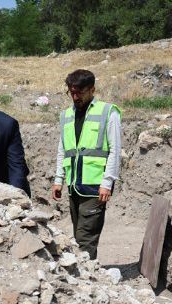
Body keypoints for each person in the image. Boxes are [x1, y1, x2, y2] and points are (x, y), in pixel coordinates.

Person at [51, 69, 122, 260]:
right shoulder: (66, 115)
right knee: (78, 236)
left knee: (85, 238)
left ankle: (86, 274)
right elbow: (63, 149)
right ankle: (89, 272)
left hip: (96, 187)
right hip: (74, 186)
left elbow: (115, 150)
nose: (75, 97)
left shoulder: (108, 112)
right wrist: (58, 179)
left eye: (80, 92)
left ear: (92, 90)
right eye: (71, 92)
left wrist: (107, 182)